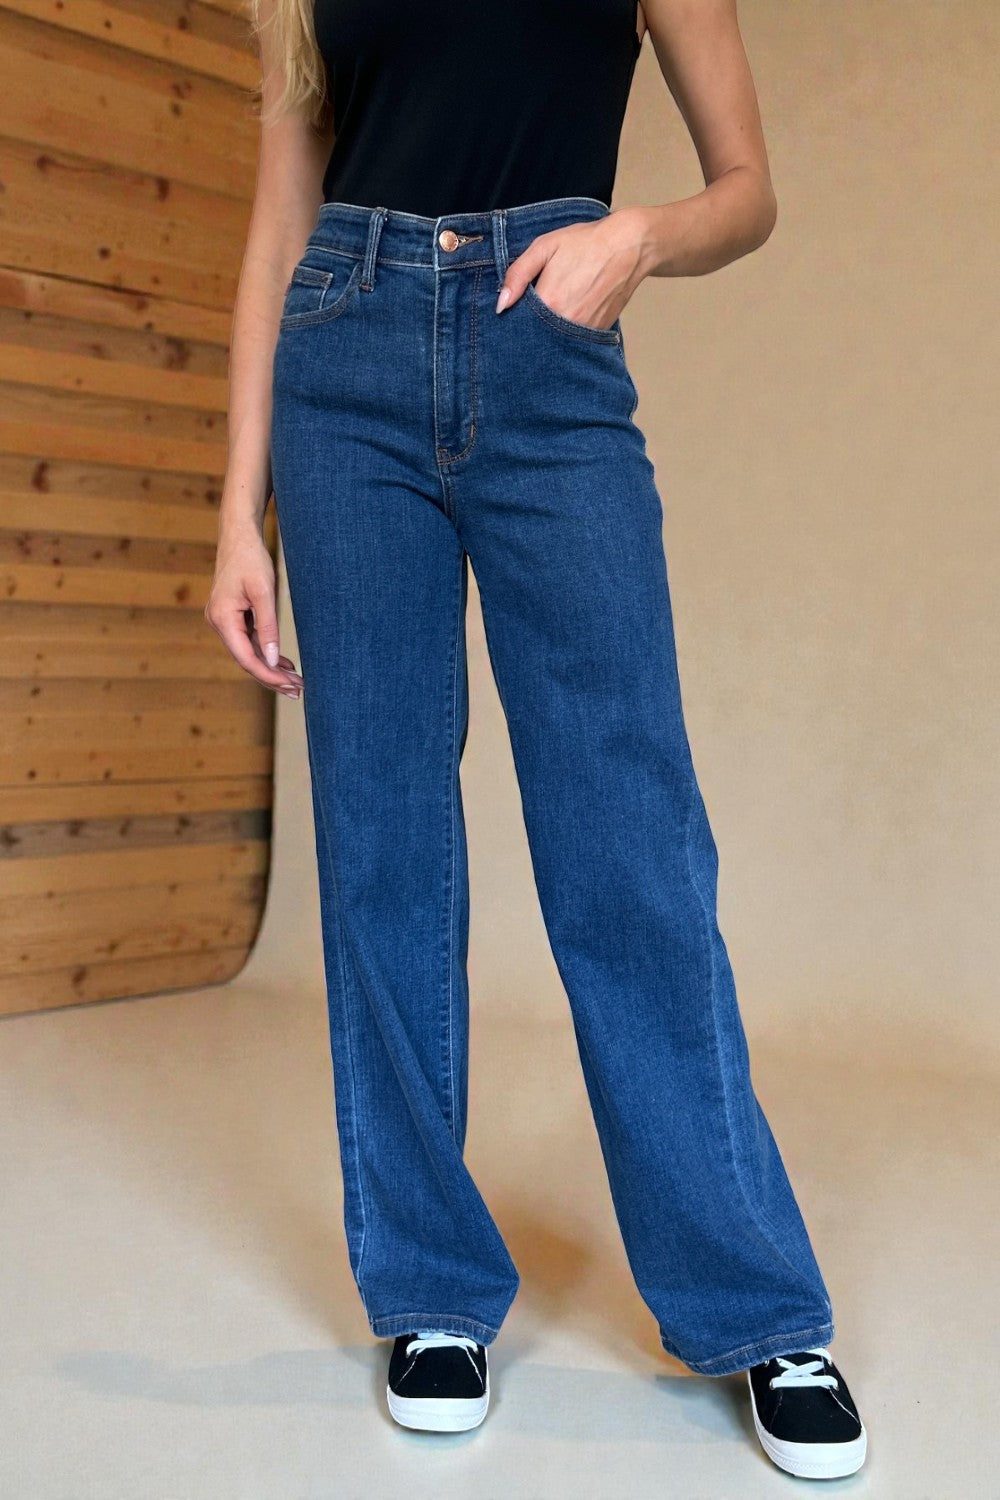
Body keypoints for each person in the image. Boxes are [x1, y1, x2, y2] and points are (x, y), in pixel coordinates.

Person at [205, 0, 868, 1479]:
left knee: (628, 844)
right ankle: (431, 1290)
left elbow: (746, 191)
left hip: (548, 361)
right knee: (382, 847)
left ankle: (752, 1305)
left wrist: (639, 239)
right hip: (343, 376)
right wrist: (235, 508)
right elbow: (278, 228)